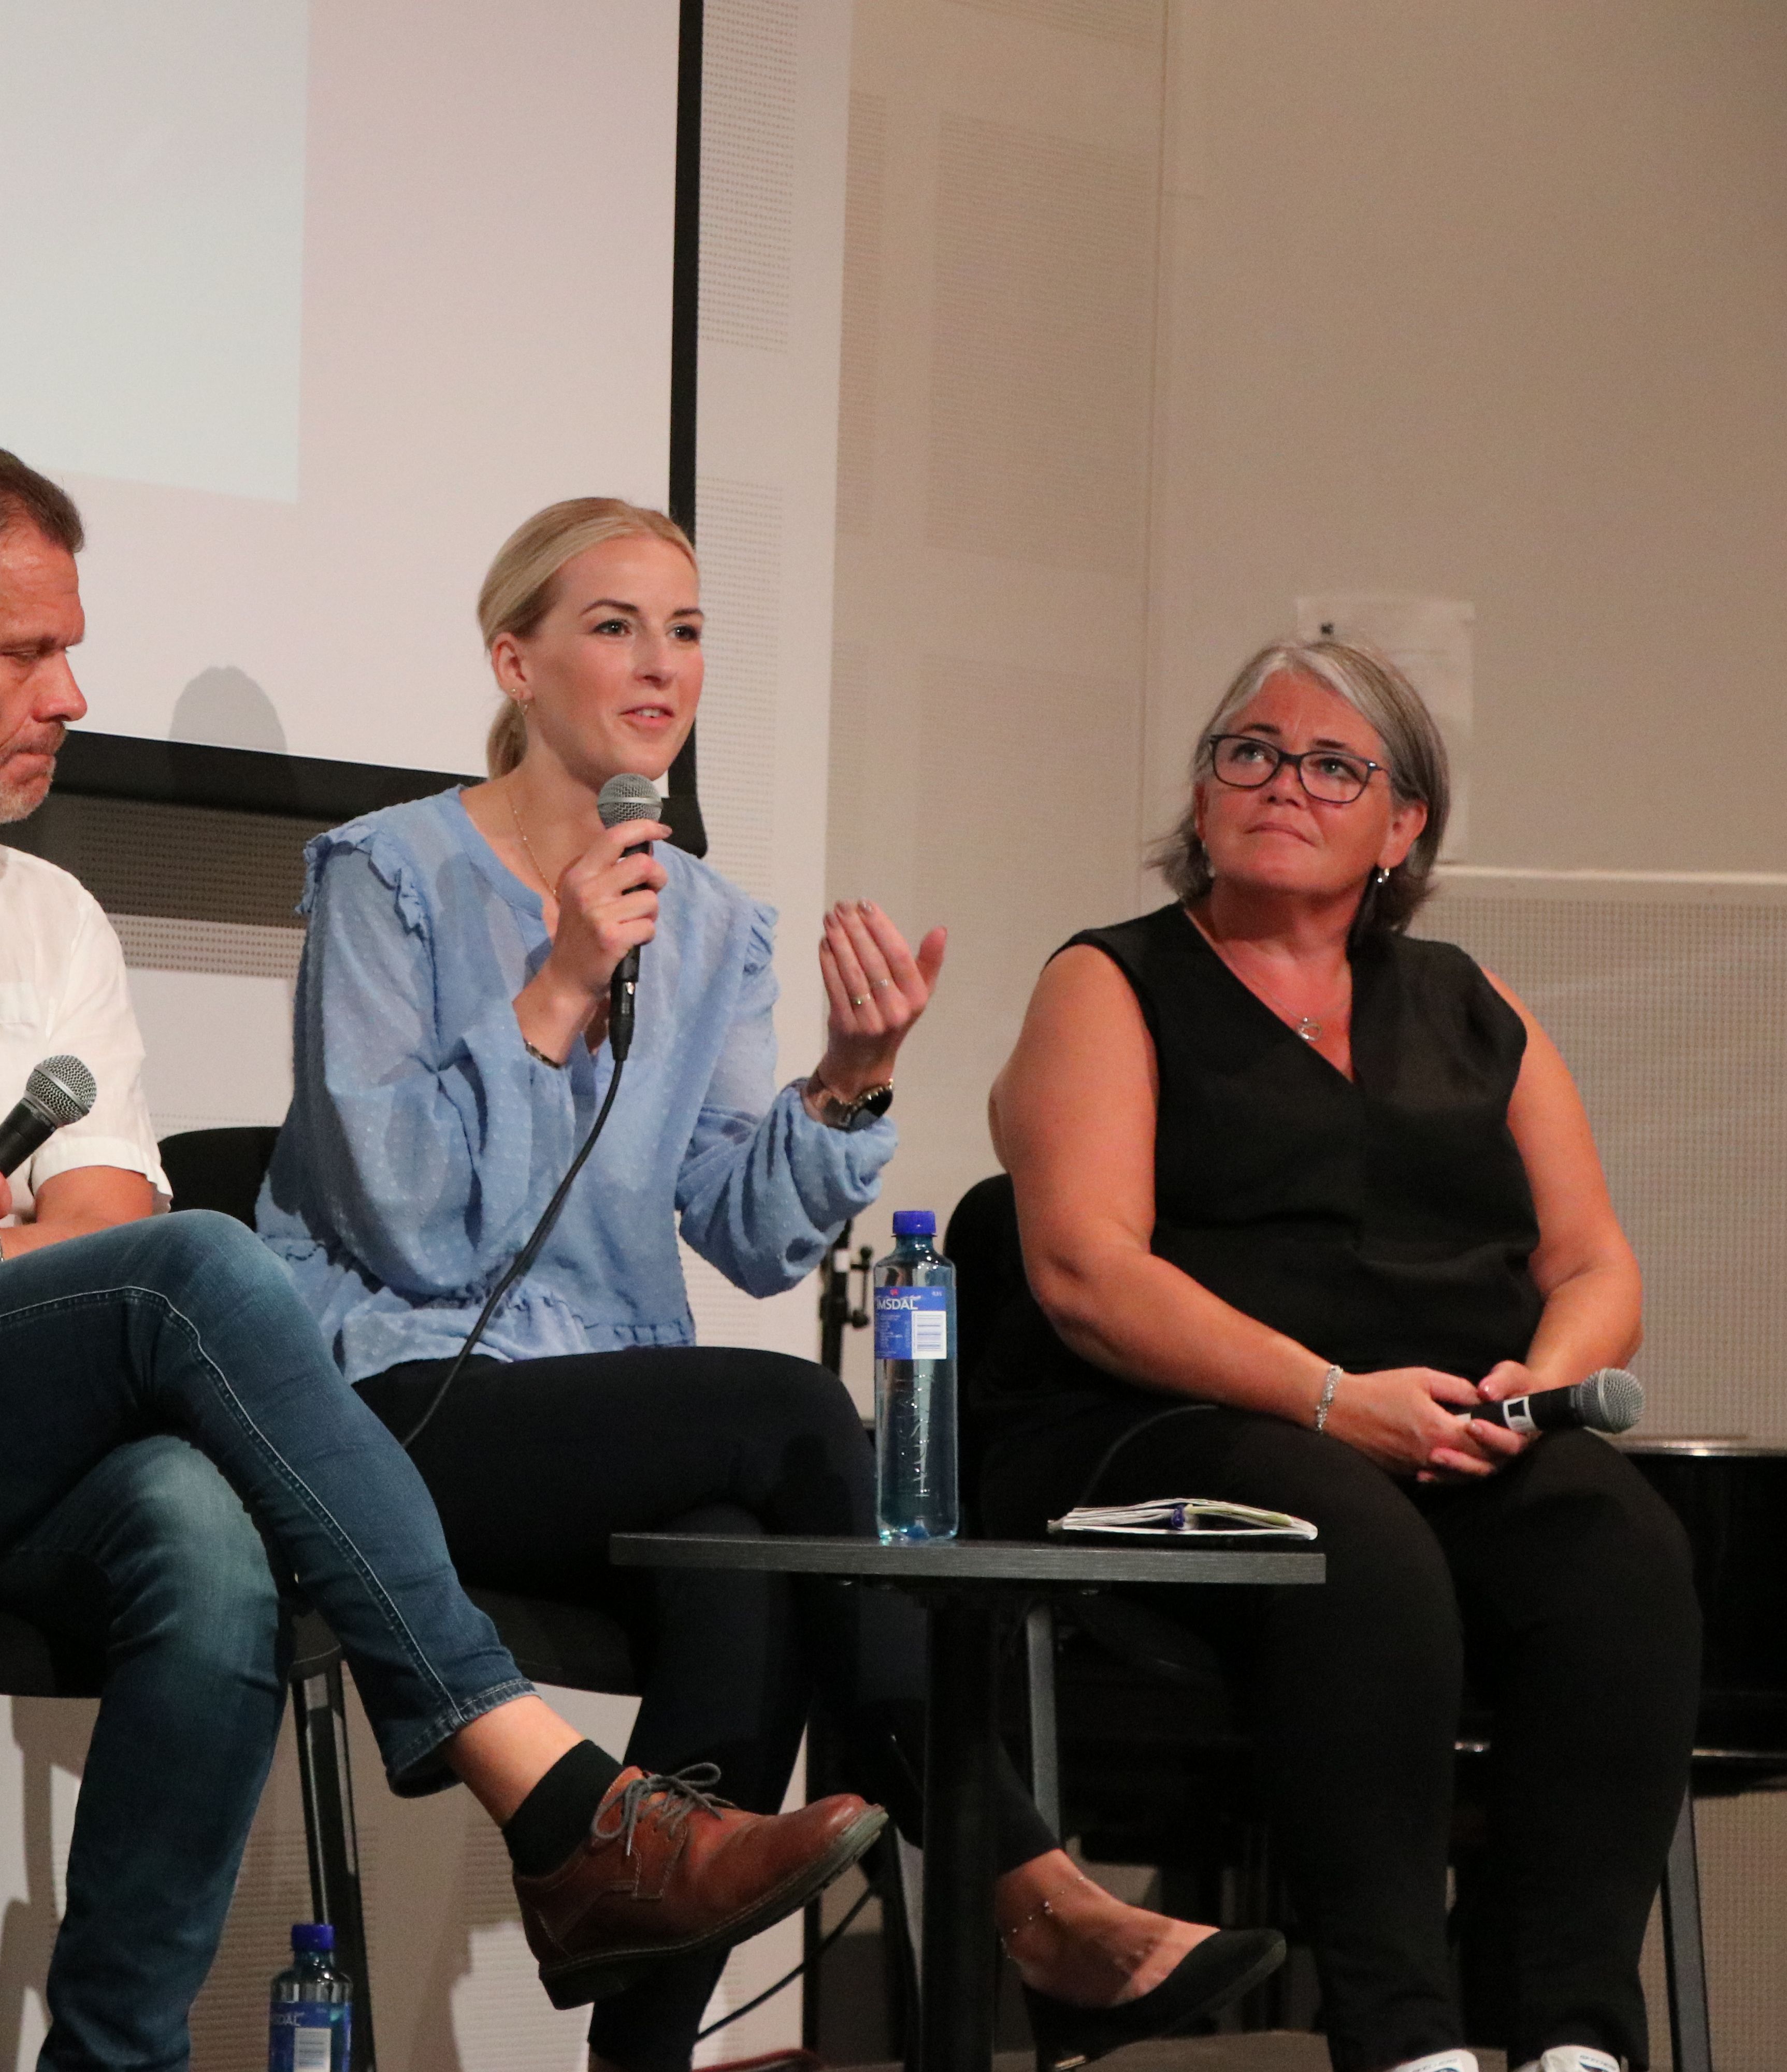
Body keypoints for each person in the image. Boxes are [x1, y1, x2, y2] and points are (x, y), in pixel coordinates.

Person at [0, 418, 895, 2072]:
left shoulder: (45, 918)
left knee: (207, 1530)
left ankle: (118, 2059)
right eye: (26, 653)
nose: (71, 695)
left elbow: (102, 1204)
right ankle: (552, 1798)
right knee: (211, 1268)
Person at [257, 497, 1284, 2072]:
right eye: (614, 627)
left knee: (743, 1563)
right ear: (515, 661)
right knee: (797, 1416)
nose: (660, 665)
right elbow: (402, 1220)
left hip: (597, 1409)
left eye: (686, 631)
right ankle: (1025, 1880)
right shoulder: (387, 874)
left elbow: (749, 1233)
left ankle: (645, 2058)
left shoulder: (712, 922)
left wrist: (848, 1081)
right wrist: (557, 988)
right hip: (398, 1396)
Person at [978, 638, 1698, 2072]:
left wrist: (1537, 1382)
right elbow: (1086, 1274)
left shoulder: (1471, 1003)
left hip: (1443, 1424)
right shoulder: (1112, 983)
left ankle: (1574, 2037)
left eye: (1331, 767)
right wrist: (1329, 1399)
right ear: (1202, 796)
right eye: (1250, 753)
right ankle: (1403, 2036)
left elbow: (1594, 1264)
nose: (1282, 785)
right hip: (1175, 1418)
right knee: (1351, 1540)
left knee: (1616, 1543)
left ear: (1403, 826)